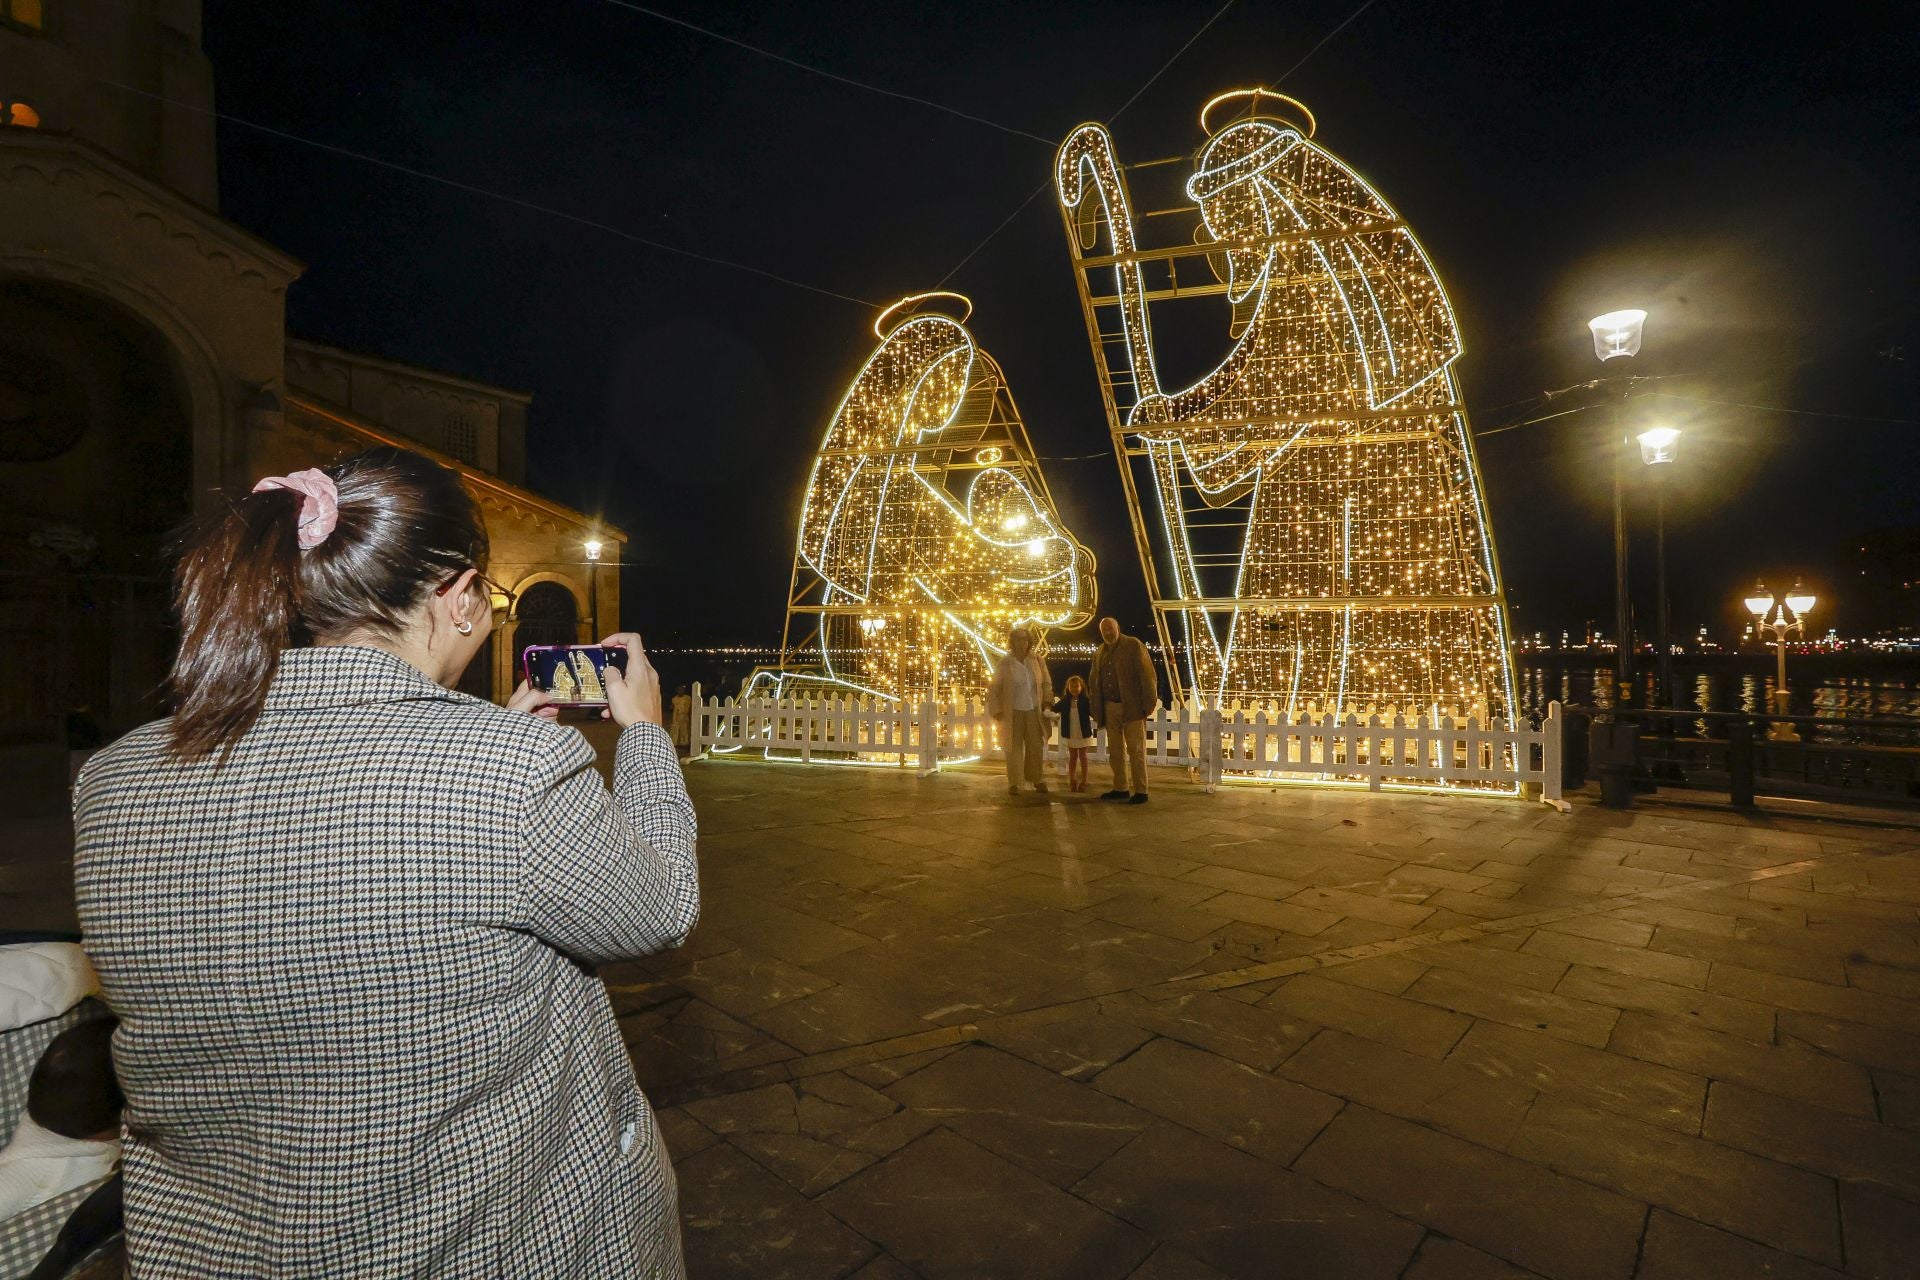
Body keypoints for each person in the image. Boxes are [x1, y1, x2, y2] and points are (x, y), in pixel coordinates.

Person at [71, 448, 699, 1278]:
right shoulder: (504, 772)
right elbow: (660, 906)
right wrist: (647, 737)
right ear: (461, 597)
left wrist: (499, 745)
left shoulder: (113, 778)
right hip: (484, 1247)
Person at [1087, 615, 1158, 803]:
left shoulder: (1133, 645)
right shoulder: (1100, 651)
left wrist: (1149, 703)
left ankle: (1141, 791)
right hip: (1110, 707)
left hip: (1132, 706)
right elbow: (1094, 680)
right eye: (1104, 630)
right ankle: (1121, 787)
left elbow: (1147, 675)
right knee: (1116, 751)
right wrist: (1095, 705)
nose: (1108, 633)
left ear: (1118, 628)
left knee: (1136, 750)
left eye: (1110, 629)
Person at [985, 623, 1053, 796]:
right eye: (1018, 639)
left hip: (1033, 709)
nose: (1022, 643)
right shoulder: (1006, 663)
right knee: (1013, 748)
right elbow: (994, 688)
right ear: (1012, 642)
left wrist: (1047, 702)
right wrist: (996, 709)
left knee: (1035, 746)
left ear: (1029, 642)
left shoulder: (1037, 660)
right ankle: (1014, 782)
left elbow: (1046, 683)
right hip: (1013, 711)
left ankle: (1037, 779)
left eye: (1025, 639)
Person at [1054, 674, 1096, 793]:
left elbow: (1094, 713)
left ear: (1081, 687)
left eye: (1076, 686)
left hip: (1083, 733)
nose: (1073, 689)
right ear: (1068, 688)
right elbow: (1053, 709)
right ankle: (1072, 780)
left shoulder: (1086, 701)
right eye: (1071, 687)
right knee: (1072, 757)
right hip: (1071, 733)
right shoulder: (1065, 701)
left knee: (1083, 757)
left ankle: (1084, 780)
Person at [669, 684, 693, 755]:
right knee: (675, 728)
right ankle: (674, 742)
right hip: (676, 716)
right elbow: (672, 706)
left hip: (684, 716)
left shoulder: (687, 698)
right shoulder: (674, 699)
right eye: (679, 690)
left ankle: (684, 743)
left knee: (684, 729)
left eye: (682, 690)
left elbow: (689, 707)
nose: (680, 691)